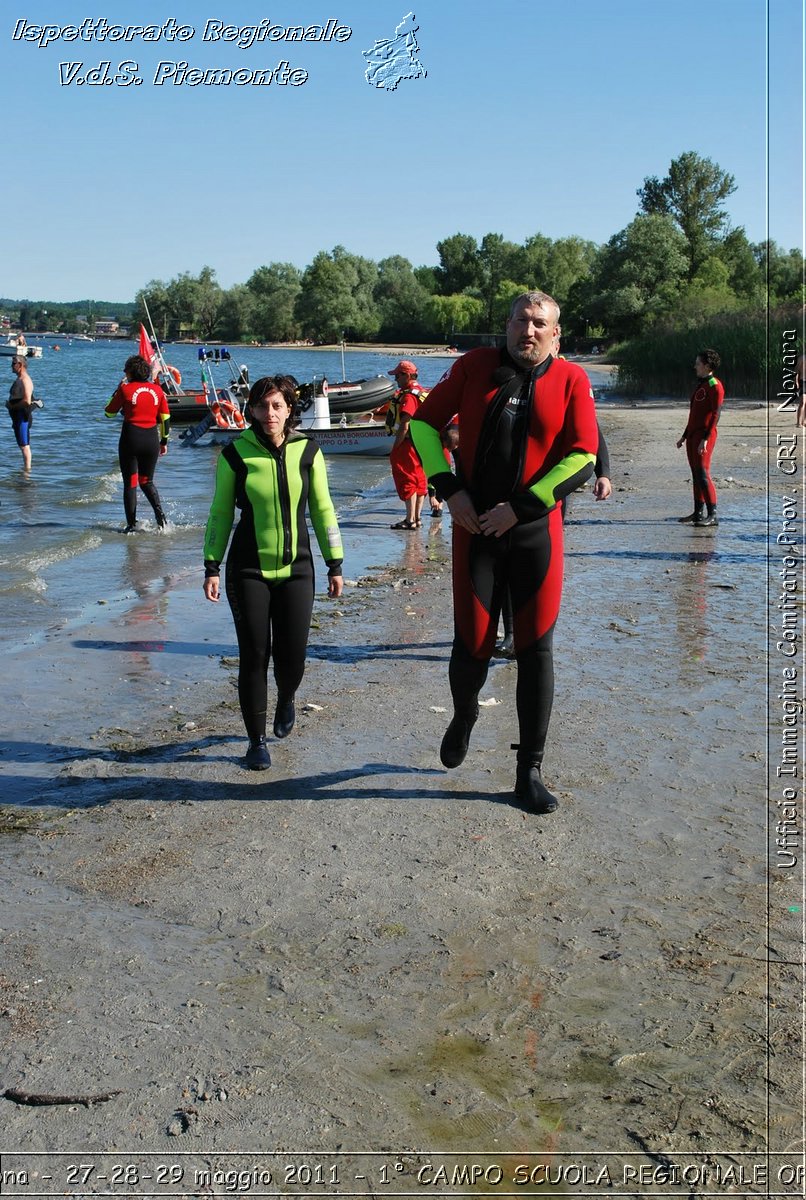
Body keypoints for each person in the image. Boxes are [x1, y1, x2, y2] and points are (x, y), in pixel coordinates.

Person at [410, 291, 598, 814]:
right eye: (521, 320)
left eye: (541, 323)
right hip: (475, 529)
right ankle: (465, 712)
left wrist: (522, 507)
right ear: (508, 325)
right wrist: (450, 489)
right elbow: (424, 425)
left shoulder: (572, 380)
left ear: (556, 334)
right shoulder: (473, 367)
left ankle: (528, 770)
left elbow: (583, 455)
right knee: (472, 643)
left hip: (535, 531)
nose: (529, 331)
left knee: (536, 650)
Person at [203, 375, 344, 771]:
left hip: (298, 569)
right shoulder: (235, 455)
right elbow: (218, 513)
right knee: (253, 656)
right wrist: (211, 565)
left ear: (289, 409)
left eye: (277, 406)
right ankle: (255, 741)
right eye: (262, 406)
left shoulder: (307, 451)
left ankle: (286, 697)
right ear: (250, 409)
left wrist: (335, 561)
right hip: (248, 568)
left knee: (292, 657)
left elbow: (323, 509)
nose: (269, 414)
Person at [105, 354, 171, 532]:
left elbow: (109, 412)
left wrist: (117, 390)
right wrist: (164, 441)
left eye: (125, 369)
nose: (123, 372)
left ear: (131, 372)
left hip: (131, 438)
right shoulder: (157, 390)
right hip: (151, 440)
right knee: (147, 481)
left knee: (131, 483)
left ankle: (131, 526)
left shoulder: (125, 390)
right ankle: (162, 522)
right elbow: (165, 419)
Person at [676, 349, 724, 527]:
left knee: (703, 473)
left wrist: (705, 438)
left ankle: (713, 515)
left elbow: (715, 414)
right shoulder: (701, 385)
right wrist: (684, 436)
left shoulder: (714, 385)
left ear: (707, 365)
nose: (695, 366)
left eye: (698, 363)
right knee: (696, 474)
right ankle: (698, 513)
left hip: (705, 436)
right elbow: (694, 415)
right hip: (693, 436)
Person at [385, 359, 428, 529]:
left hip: (408, 443)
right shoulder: (421, 391)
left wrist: (395, 447)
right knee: (420, 478)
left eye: (397, 375)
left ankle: (410, 519)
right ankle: (417, 519)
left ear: (407, 376)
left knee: (407, 478)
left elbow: (405, 424)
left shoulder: (409, 396)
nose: (396, 379)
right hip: (421, 443)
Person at [7, 356, 34, 470]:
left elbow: (27, 401)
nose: (11, 366)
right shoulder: (20, 378)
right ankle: (25, 470)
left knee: (24, 446)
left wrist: (12, 406)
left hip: (22, 417)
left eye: (14, 364)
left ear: (21, 365)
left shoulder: (25, 380)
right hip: (17, 416)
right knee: (22, 445)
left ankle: (27, 473)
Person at [796, 354, 806, 428]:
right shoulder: (802, 358)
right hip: (803, 381)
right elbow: (796, 370)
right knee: (802, 401)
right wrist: (796, 381)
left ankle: (804, 421)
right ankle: (798, 422)